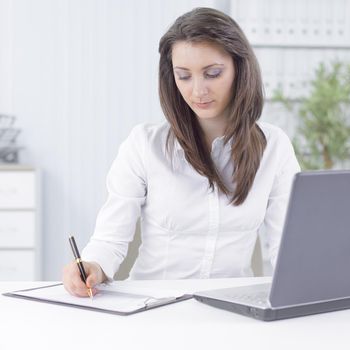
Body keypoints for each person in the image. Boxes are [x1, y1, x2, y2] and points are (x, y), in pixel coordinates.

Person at [63, 7, 300, 297]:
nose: (198, 90)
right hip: (154, 306)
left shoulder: (274, 147)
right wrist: (91, 266)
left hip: (234, 308)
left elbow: (288, 250)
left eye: (212, 73)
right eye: (184, 76)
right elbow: (109, 241)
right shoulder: (143, 145)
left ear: (240, 68)